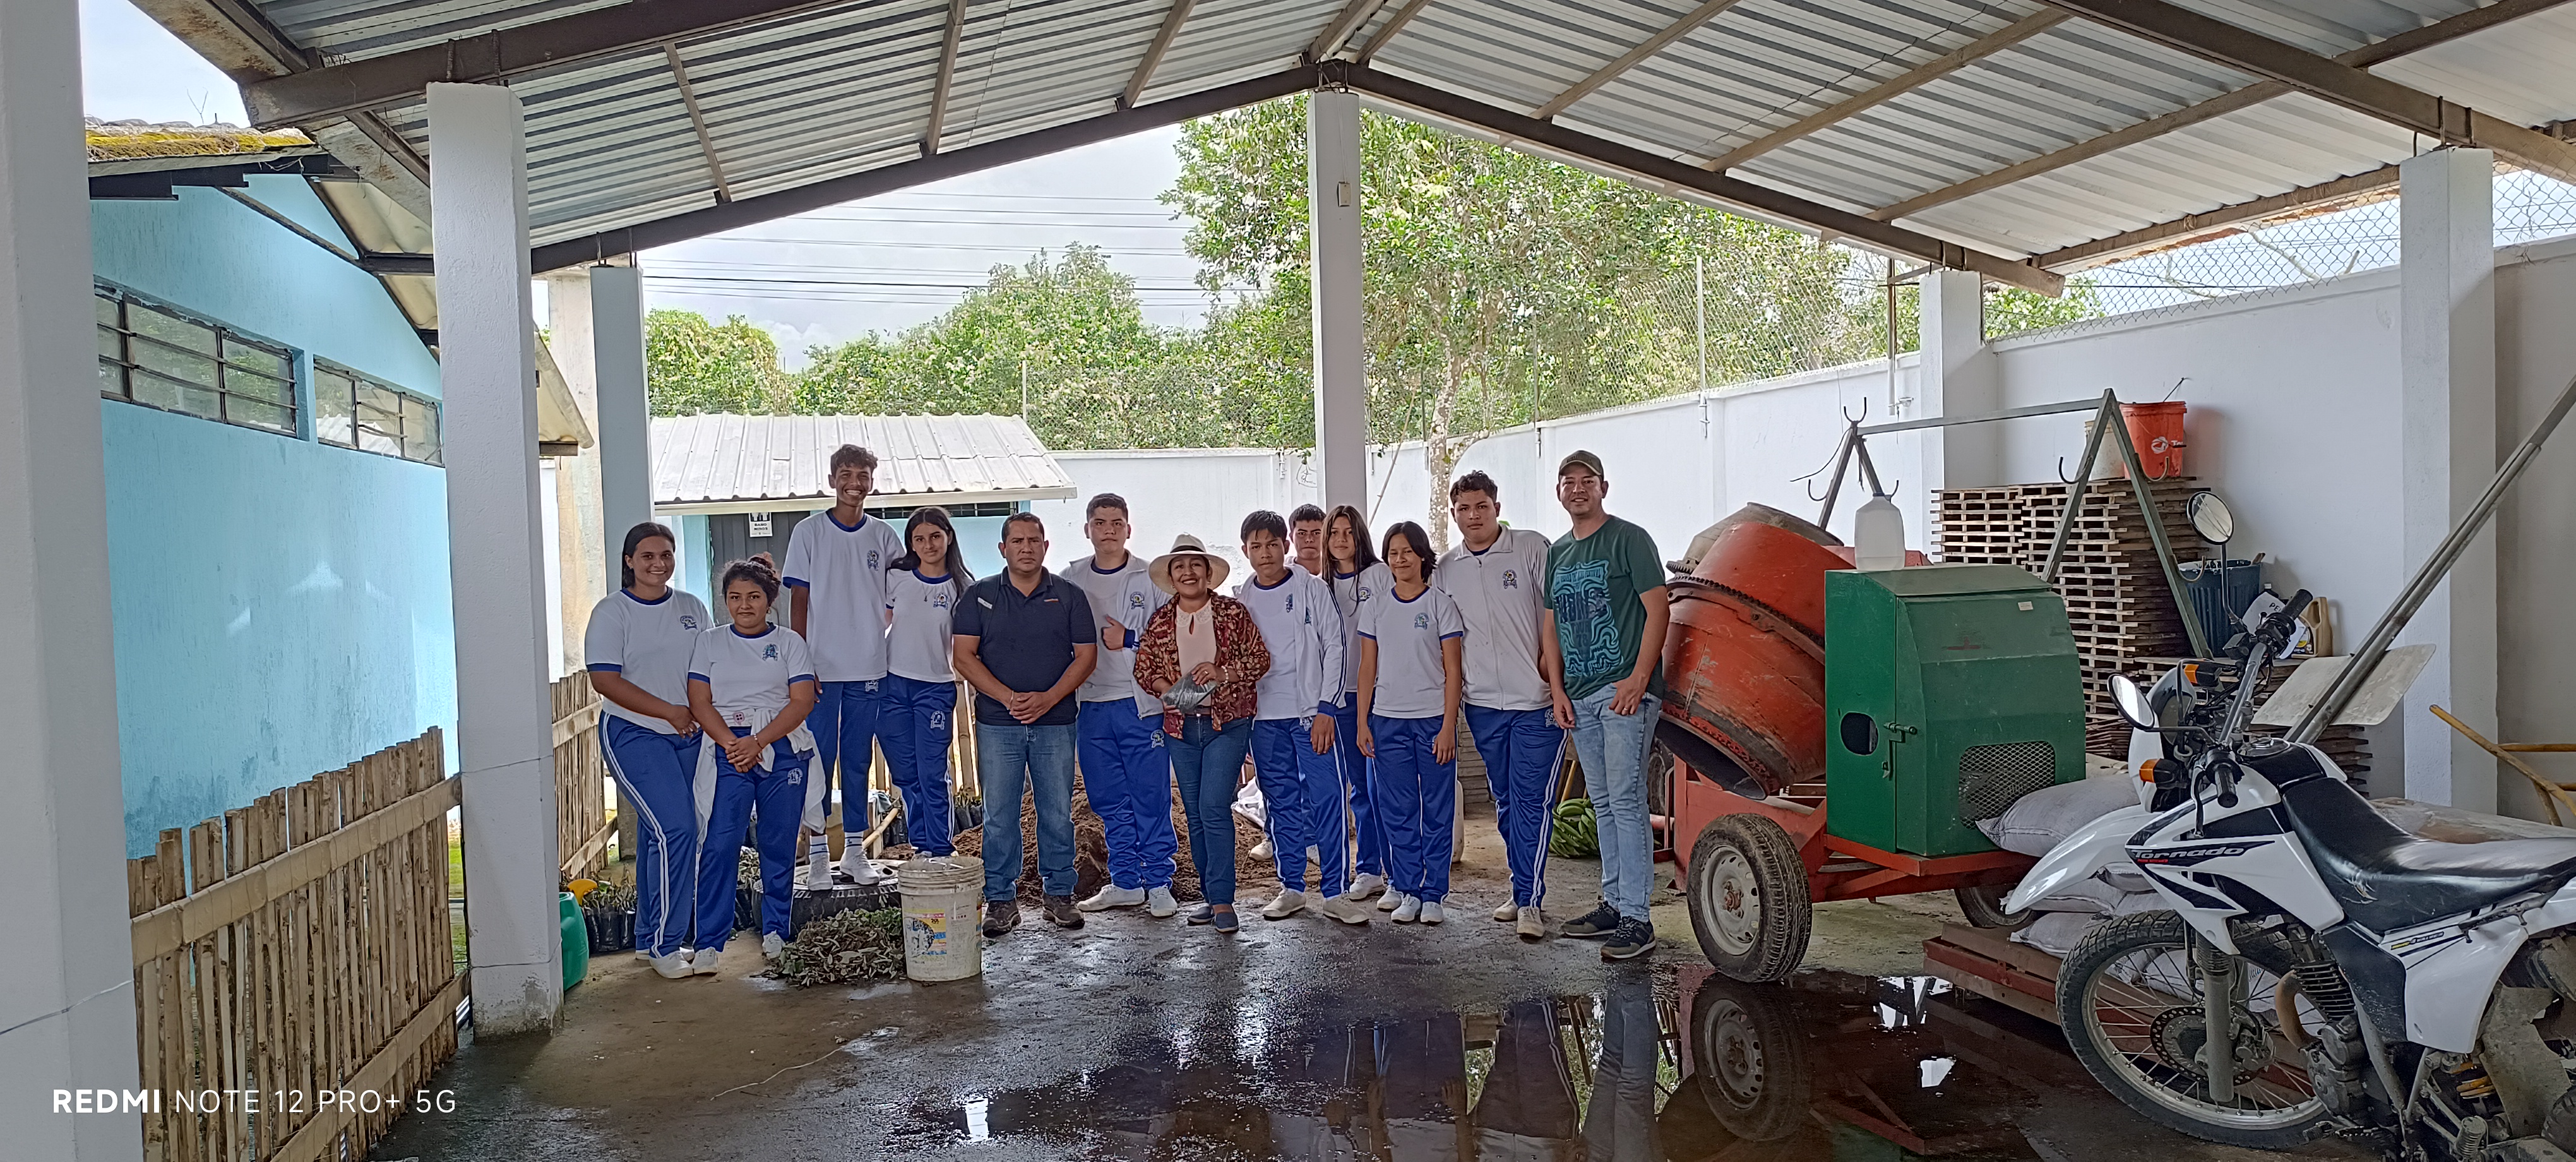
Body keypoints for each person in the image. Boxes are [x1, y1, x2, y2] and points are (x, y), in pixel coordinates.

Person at [1545, 450, 1670, 961]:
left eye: (1587, 480)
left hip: (1623, 694)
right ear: (1558, 492)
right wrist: (1557, 690)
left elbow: (1659, 609)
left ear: (1603, 487)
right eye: (1568, 481)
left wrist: (1639, 679)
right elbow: (1551, 625)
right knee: (1602, 803)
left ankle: (1638, 918)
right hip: (1579, 696)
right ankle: (1615, 905)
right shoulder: (1557, 552)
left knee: (1625, 801)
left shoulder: (1629, 539)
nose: (1577, 488)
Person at [951, 512, 1098, 937]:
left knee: (1056, 813)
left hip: (1056, 722)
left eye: (1034, 540)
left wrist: (1049, 698)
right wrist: (1008, 698)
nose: (1027, 548)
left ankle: (1060, 896)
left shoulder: (1069, 596)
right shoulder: (979, 596)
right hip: (999, 723)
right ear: (1003, 549)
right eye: (1017, 541)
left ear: (1046, 546)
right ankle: (1000, 900)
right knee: (999, 815)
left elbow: (1086, 657)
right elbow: (963, 657)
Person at [1438, 471, 1568, 941]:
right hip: (1482, 705)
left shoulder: (1531, 548)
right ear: (1454, 514)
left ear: (1497, 507)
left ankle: (1531, 900)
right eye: (1464, 509)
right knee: (1507, 801)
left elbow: (1559, 615)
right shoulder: (1446, 569)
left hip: (1537, 702)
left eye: (1482, 507)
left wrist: (1555, 682)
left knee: (1533, 801)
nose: (1474, 516)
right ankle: (1521, 887)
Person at [584, 522, 712, 979]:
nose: (659, 564)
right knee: (677, 830)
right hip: (635, 733)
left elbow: (708, 666)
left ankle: (646, 938)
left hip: (688, 735)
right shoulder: (612, 613)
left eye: (666, 555)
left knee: (664, 833)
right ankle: (666, 944)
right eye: (648, 556)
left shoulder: (691, 607)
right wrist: (669, 712)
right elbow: (605, 680)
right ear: (629, 561)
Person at [1234, 511, 1369, 925]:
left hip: (1311, 715)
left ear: (1286, 545)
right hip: (1264, 719)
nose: (1265, 553)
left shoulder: (1312, 588)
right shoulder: (1243, 596)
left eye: (1272, 544)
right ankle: (1291, 888)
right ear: (1246, 551)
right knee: (1281, 803)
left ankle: (1335, 892)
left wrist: (1327, 707)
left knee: (1328, 798)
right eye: (1256, 546)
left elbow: (1335, 646)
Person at [686, 558, 820, 975]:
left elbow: (802, 701)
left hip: (781, 747)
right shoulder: (709, 642)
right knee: (720, 843)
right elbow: (699, 701)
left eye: (754, 597)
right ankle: (709, 942)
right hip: (728, 749)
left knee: (778, 843)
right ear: (725, 601)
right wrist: (733, 744)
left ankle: (776, 930)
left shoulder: (789, 642)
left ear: (769, 600)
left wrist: (759, 742)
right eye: (735, 597)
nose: (744, 605)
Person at [780, 444, 905, 889]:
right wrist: (800, 660)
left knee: (857, 761)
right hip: (819, 670)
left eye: (863, 475)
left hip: (869, 667)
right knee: (818, 760)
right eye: (847, 475)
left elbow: (901, 592)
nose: (855, 483)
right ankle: (818, 855)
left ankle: (854, 852)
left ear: (872, 481)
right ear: (833, 480)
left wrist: (876, 628)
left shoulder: (884, 536)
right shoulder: (809, 532)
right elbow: (798, 598)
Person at [1133, 534, 1270, 935]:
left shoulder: (1232, 613)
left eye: (1196, 565)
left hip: (1227, 724)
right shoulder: (1161, 620)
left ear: (1209, 573)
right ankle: (1211, 897)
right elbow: (1144, 668)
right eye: (1180, 566)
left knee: (1213, 806)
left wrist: (1222, 672)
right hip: (1181, 728)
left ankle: (1224, 899)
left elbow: (1260, 659)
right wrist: (1169, 692)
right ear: (1171, 576)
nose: (1188, 572)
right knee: (1194, 813)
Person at [1064, 494, 1180, 918]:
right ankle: (1127, 882)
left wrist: (1129, 639)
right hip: (1092, 705)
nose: (1109, 530)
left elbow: (1174, 639)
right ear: (1087, 530)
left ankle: (1160, 883)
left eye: (1116, 523)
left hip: (1140, 705)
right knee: (1108, 799)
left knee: (1150, 796)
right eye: (1100, 523)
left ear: (1128, 529)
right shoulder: (1071, 579)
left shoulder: (1150, 578)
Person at [1355, 521, 1465, 925]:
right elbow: (1367, 668)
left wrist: (1449, 727)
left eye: (1407, 552)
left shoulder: (1441, 605)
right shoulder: (1376, 607)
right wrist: (1363, 722)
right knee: (1397, 811)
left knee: (1437, 808)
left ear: (1422, 556)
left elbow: (1453, 672)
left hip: (1433, 720)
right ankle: (1408, 889)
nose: (1400, 560)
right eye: (1393, 553)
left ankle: (1434, 893)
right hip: (1387, 721)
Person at [881, 507, 967, 858]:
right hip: (891, 686)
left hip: (935, 688)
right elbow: (877, 623)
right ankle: (922, 845)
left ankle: (941, 848)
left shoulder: (963, 588)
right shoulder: (896, 578)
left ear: (949, 537)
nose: (928, 545)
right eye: (919, 539)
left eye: (935, 536)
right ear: (911, 543)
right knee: (906, 773)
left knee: (932, 772)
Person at [1323, 506, 1395, 904]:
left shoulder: (1379, 575)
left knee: (1383, 786)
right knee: (1359, 790)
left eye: (1349, 532)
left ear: (1360, 536)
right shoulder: (1321, 584)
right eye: (1334, 532)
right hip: (1340, 698)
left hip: (1380, 696)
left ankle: (1398, 872)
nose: (1341, 539)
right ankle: (1369, 869)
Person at [1289, 503, 1328, 577]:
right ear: (1291, 538)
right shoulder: (1280, 574)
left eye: (1317, 533)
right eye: (1302, 533)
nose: (1309, 539)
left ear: (1326, 537)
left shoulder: (1338, 573)